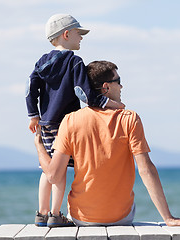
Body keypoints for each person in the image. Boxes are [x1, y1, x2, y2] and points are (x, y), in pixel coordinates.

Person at [34, 60, 180, 227]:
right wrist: (168, 218)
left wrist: (39, 146)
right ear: (106, 87)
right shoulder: (129, 118)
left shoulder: (70, 120)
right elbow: (146, 169)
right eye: (119, 82)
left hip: (81, 218)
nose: (122, 87)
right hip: (121, 218)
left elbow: (54, 176)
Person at [25, 14, 124, 228]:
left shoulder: (42, 61)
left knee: (48, 170)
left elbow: (30, 89)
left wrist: (33, 114)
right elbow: (83, 93)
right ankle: (55, 214)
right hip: (66, 124)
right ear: (66, 34)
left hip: (46, 123)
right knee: (59, 172)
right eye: (79, 34)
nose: (82, 38)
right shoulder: (74, 61)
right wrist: (108, 104)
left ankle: (41, 213)